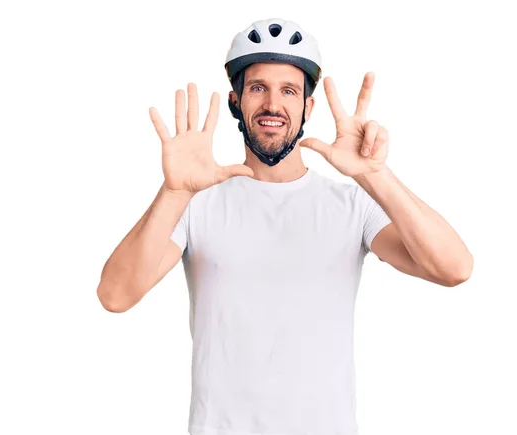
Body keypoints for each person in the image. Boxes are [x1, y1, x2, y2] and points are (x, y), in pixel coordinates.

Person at [97, 18, 473, 435]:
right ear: (236, 102)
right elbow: (115, 295)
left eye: (289, 91)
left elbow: (453, 268)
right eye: (258, 88)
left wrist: (373, 175)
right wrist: (172, 193)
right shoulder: (193, 205)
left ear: (307, 108)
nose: (273, 104)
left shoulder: (352, 206)